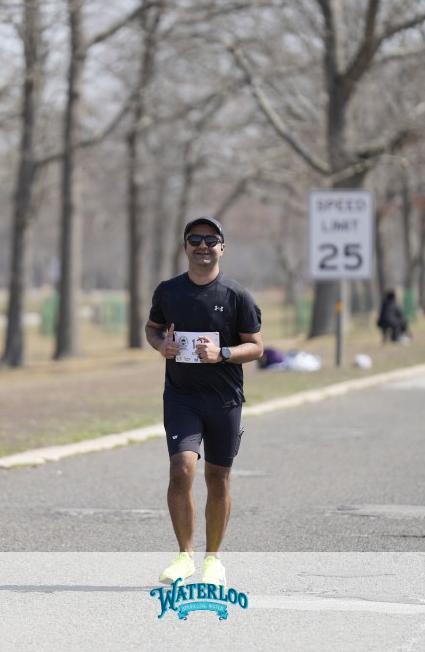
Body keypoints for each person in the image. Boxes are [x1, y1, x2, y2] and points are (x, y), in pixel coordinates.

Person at [145, 216, 263, 587]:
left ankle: (213, 560)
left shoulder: (236, 295)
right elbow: (152, 328)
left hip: (224, 400)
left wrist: (222, 353)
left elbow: (256, 347)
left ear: (222, 248)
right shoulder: (169, 291)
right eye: (195, 239)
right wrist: (161, 345)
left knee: (218, 477)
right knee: (182, 469)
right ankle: (184, 556)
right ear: (185, 247)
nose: (202, 246)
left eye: (211, 240)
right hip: (181, 397)